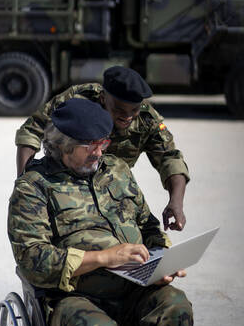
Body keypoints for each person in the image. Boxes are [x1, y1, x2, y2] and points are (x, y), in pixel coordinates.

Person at [8, 98, 193, 326]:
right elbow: (32, 260)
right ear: (61, 145)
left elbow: (147, 224)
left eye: (103, 142)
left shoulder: (117, 170)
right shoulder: (33, 187)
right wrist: (104, 257)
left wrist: (163, 258)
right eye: (89, 145)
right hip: (75, 299)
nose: (99, 151)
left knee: (175, 307)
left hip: (136, 288)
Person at [15, 66, 190, 232]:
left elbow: (170, 158)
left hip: (109, 190)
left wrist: (176, 202)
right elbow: (31, 130)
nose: (128, 116)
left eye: (134, 110)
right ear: (103, 99)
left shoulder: (147, 119)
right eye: (120, 110)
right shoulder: (76, 101)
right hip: (64, 186)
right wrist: (25, 184)